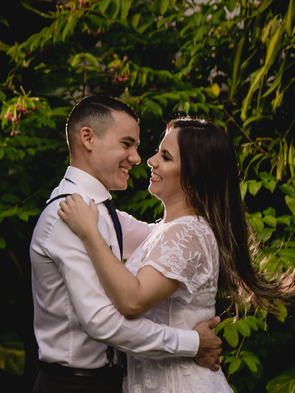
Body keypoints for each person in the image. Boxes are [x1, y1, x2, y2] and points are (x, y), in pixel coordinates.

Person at [57, 117, 295, 392]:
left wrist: (89, 233)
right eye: (158, 152)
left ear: (194, 179)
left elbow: (133, 301)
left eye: (166, 157)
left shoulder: (187, 234)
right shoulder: (168, 230)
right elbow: (106, 216)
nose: (151, 161)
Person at [30, 96, 223, 393]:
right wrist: (193, 343)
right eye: (126, 144)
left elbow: (170, 240)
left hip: (107, 381)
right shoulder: (69, 215)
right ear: (88, 138)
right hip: (73, 384)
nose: (138, 158)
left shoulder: (101, 213)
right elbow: (102, 322)